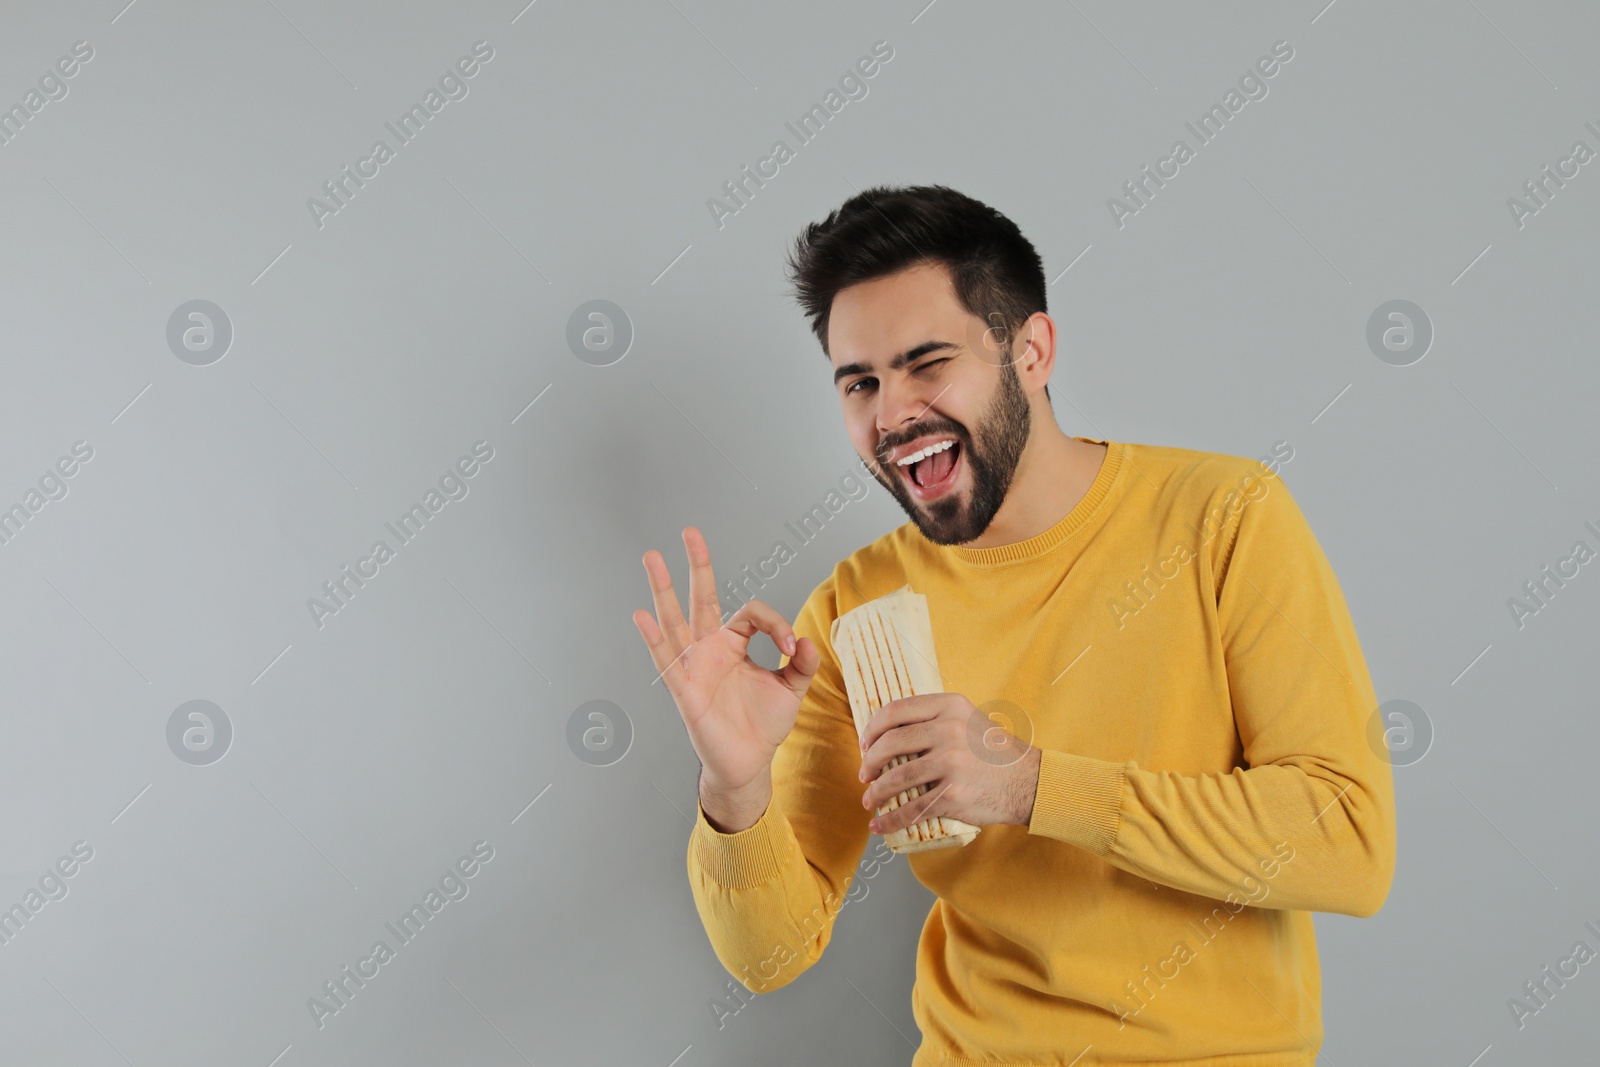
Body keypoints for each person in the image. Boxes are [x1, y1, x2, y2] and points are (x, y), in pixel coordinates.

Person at [633, 184, 1395, 1065]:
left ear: (1031, 350)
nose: (892, 414)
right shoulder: (854, 602)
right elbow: (770, 953)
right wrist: (735, 790)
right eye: (861, 383)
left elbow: (1349, 841)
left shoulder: (1224, 518)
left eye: (928, 363)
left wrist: (1031, 785)